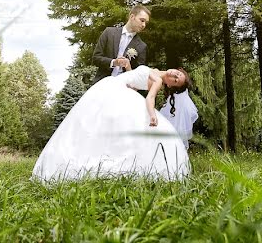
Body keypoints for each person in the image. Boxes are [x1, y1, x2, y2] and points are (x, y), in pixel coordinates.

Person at [32, 65, 191, 181]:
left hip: (114, 88)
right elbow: (137, 81)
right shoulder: (155, 71)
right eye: (177, 73)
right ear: (176, 69)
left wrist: (152, 115)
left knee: (103, 120)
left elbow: (150, 98)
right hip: (116, 86)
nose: (174, 76)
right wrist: (130, 76)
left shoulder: (157, 80)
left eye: (176, 80)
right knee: (98, 120)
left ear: (170, 85)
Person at [91, 5, 150, 85]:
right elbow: (96, 58)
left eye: (146, 22)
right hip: (101, 84)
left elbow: (139, 76)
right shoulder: (109, 32)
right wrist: (114, 62)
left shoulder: (142, 46)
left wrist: (128, 67)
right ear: (132, 16)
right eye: (142, 20)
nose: (144, 25)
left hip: (124, 88)